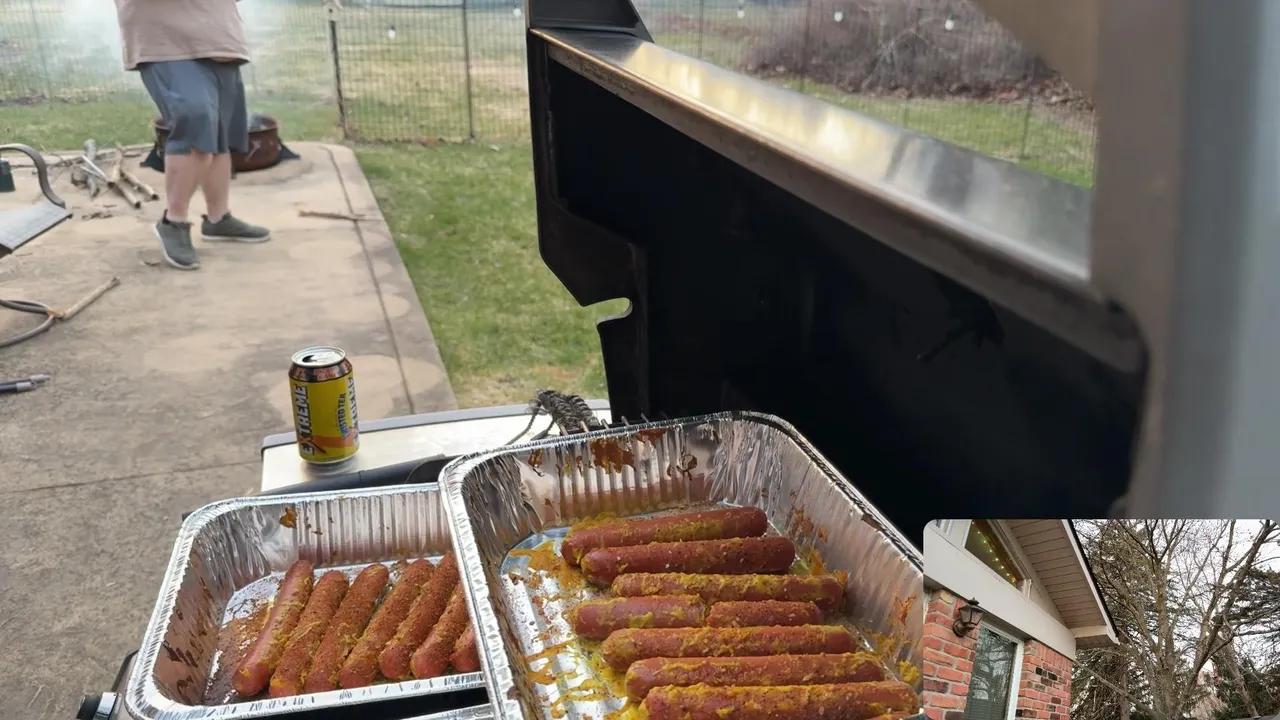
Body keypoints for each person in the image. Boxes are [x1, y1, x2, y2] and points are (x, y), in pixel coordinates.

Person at [113, 0, 271, 270]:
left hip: (220, 41)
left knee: (219, 135)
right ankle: (173, 222)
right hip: (167, 43)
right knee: (195, 122)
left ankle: (218, 219)